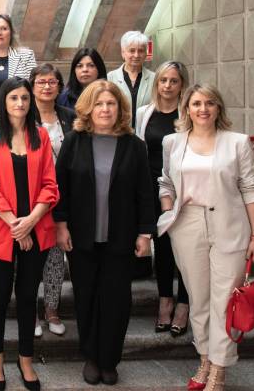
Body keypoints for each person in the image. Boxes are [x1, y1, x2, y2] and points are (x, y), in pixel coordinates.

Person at [158, 84, 254, 391]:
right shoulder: (172, 142)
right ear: (186, 108)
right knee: (198, 299)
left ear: (218, 108)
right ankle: (204, 359)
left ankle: (218, 370)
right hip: (187, 225)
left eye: (210, 103)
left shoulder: (237, 142)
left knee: (225, 301)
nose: (203, 109)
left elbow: (250, 188)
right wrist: (169, 214)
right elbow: (165, 182)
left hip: (231, 226)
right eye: (197, 103)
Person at [54, 80, 154, 386]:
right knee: (86, 298)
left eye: (111, 104)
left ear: (120, 108)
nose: (105, 109)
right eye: (99, 104)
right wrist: (61, 225)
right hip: (82, 236)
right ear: (88, 108)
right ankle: (92, 357)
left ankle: (110, 360)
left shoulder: (134, 145)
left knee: (116, 301)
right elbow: (61, 188)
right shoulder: (74, 141)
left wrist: (145, 234)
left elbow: (145, 193)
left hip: (120, 237)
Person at [0, 77, 59, 391]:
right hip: (1, 229)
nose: (20, 104)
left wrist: (30, 222)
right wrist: (16, 225)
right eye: (14, 98)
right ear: (4, 102)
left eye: (25, 98)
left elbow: (51, 186)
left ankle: (25, 358)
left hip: (36, 228)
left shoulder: (40, 135)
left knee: (27, 297)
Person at [135, 61, 190, 337]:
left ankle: (184, 304)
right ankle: (165, 301)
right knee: (164, 248)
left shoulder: (188, 114)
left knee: (186, 251)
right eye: (163, 81)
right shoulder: (145, 113)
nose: (167, 86)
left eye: (174, 81)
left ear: (182, 85)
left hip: (183, 192)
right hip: (152, 189)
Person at [30, 63, 74, 337]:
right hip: (31, 197)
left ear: (59, 86)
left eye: (52, 82)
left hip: (61, 196)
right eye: (41, 82)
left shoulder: (71, 118)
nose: (47, 87)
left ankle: (52, 308)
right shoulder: (22, 115)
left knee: (56, 258)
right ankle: (31, 312)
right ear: (32, 86)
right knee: (30, 258)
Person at [107, 31, 155, 128]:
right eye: (132, 51)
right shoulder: (110, 78)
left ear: (146, 53)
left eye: (141, 51)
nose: (136, 55)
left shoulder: (155, 79)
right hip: (118, 133)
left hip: (145, 135)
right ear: (123, 53)